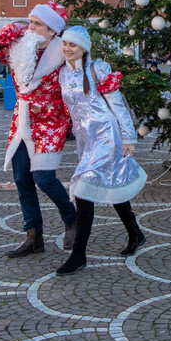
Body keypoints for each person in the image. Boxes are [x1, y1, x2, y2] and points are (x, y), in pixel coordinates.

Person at [0, 1, 77, 258]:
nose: (29, 27)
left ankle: (72, 219)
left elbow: (80, 83)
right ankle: (33, 236)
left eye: (36, 23)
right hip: (22, 121)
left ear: (52, 30)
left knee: (43, 178)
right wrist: (0, 36)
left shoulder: (63, 53)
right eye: (30, 21)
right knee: (22, 178)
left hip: (50, 122)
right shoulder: (19, 44)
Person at [56, 25, 147, 276]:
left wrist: (129, 137)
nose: (67, 49)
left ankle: (78, 255)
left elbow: (117, 105)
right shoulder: (63, 74)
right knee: (110, 182)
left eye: (72, 45)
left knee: (84, 189)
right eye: (65, 44)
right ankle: (135, 232)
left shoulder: (98, 69)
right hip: (86, 140)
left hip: (108, 136)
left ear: (83, 47)